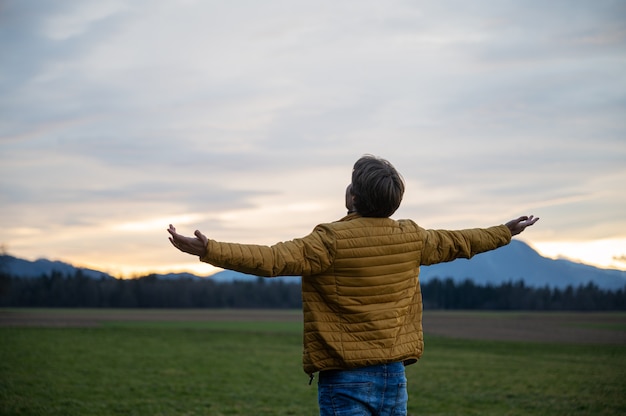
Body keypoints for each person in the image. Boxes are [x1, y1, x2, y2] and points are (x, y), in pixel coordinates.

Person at [167, 154, 539, 416]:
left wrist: (210, 250)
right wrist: (504, 232)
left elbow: (272, 259)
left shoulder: (329, 240)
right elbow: (461, 241)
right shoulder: (412, 237)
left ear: (353, 197)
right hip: (395, 376)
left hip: (344, 376)